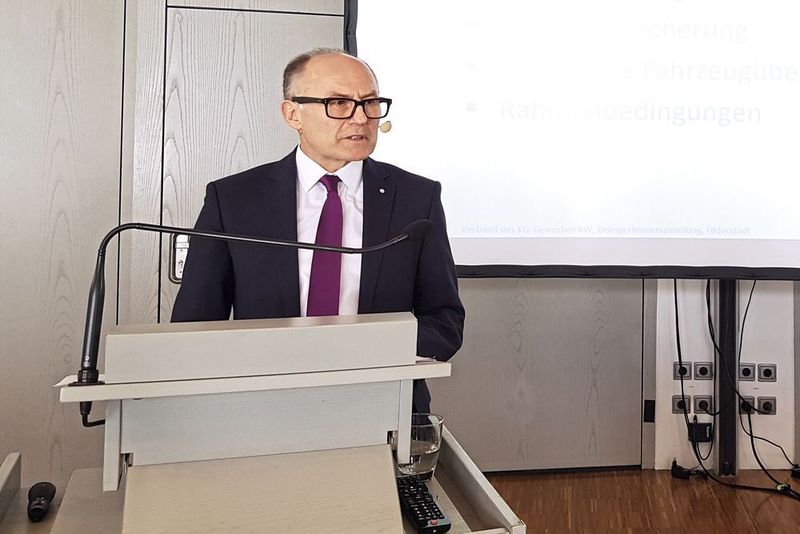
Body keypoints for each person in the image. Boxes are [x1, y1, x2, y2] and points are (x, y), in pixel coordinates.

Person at [172, 48, 464, 413]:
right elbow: (195, 325)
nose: (361, 118)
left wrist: (367, 351)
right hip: (261, 407)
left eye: (370, 103)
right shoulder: (233, 199)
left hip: (382, 406)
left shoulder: (416, 198)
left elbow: (444, 319)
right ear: (292, 113)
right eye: (339, 103)